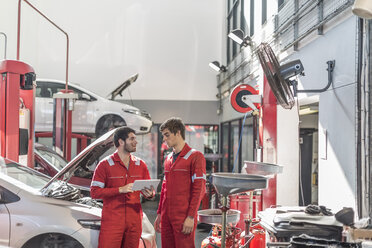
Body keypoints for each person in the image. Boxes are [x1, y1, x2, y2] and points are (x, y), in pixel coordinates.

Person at [90, 126, 154, 248]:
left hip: (134, 221)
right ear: (121, 142)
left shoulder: (141, 165)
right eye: (132, 139)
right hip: (112, 221)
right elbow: (94, 192)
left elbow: (149, 189)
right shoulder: (104, 165)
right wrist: (120, 190)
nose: (136, 142)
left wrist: (150, 194)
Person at [154, 117, 206, 248]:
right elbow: (164, 189)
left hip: (183, 217)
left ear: (178, 133)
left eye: (167, 135)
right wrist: (160, 214)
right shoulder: (168, 159)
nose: (164, 139)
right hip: (167, 216)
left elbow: (199, 190)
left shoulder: (195, 157)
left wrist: (191, 216)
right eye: (163, 136)